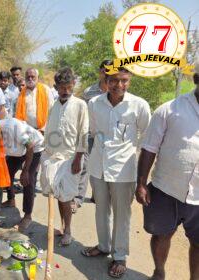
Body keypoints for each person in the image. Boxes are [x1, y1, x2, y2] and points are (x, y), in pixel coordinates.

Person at [81, 67, 151, 278]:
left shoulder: (139, 105)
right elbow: (93, 132)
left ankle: (119, 256)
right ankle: (103, 246)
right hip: (98, 166)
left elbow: (147, 137)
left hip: (124, 170)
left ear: (129, 81)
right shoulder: (94, 103)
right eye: (114, 80)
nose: (119, 85)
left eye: (124, 81)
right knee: (101, 209)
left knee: (122, 214)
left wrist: (142, 177)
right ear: (106, 79)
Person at [135, 58, 199, 280]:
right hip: (166, 188)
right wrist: (141, 183)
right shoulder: (169, 110)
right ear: (197, 79)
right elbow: (149, 148)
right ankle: (159, 271)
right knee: (162, 234)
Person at [40, 68, 88, 246]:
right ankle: (60, 226)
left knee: (67, 197)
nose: (66, 91)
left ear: (73, 85)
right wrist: (45, 156)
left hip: (70, 159)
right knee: (56, 195)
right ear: (56, 87)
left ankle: (68, 230)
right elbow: (49, 130)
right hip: (52, 157)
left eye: (69, 87)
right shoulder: (54, 104)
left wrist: (78, 159)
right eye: (62, 87)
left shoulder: (80, 105)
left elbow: (83, 132)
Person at [0, 118, 45, 230]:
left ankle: (27, 216)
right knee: (7, 173)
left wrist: (25, 171)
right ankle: (11, 200)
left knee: (28, 180)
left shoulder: (13, 129)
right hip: (19, 149)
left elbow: (30, 146)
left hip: (34, 148)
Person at [77, 59, 113, 206]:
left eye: (110, 70)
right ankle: (78, 198)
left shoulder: (117, 91)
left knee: (104, 166)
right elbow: (82, 114)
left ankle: (97, 195)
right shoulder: (89, 92)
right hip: (90, 135)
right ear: (100, 72)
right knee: (84, 165)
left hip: (110, 137)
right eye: (104, 70)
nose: (106, 73)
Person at [15, 68, 54, 132]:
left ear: (37, 77)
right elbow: (18, 113)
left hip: (44, 130)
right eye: (28, 77)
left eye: (32, 77)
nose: (30, 79)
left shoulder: (46, 89)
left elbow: (52, 110)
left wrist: (44, 128)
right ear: (25, 78)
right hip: (27, 131)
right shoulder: (21, 94)